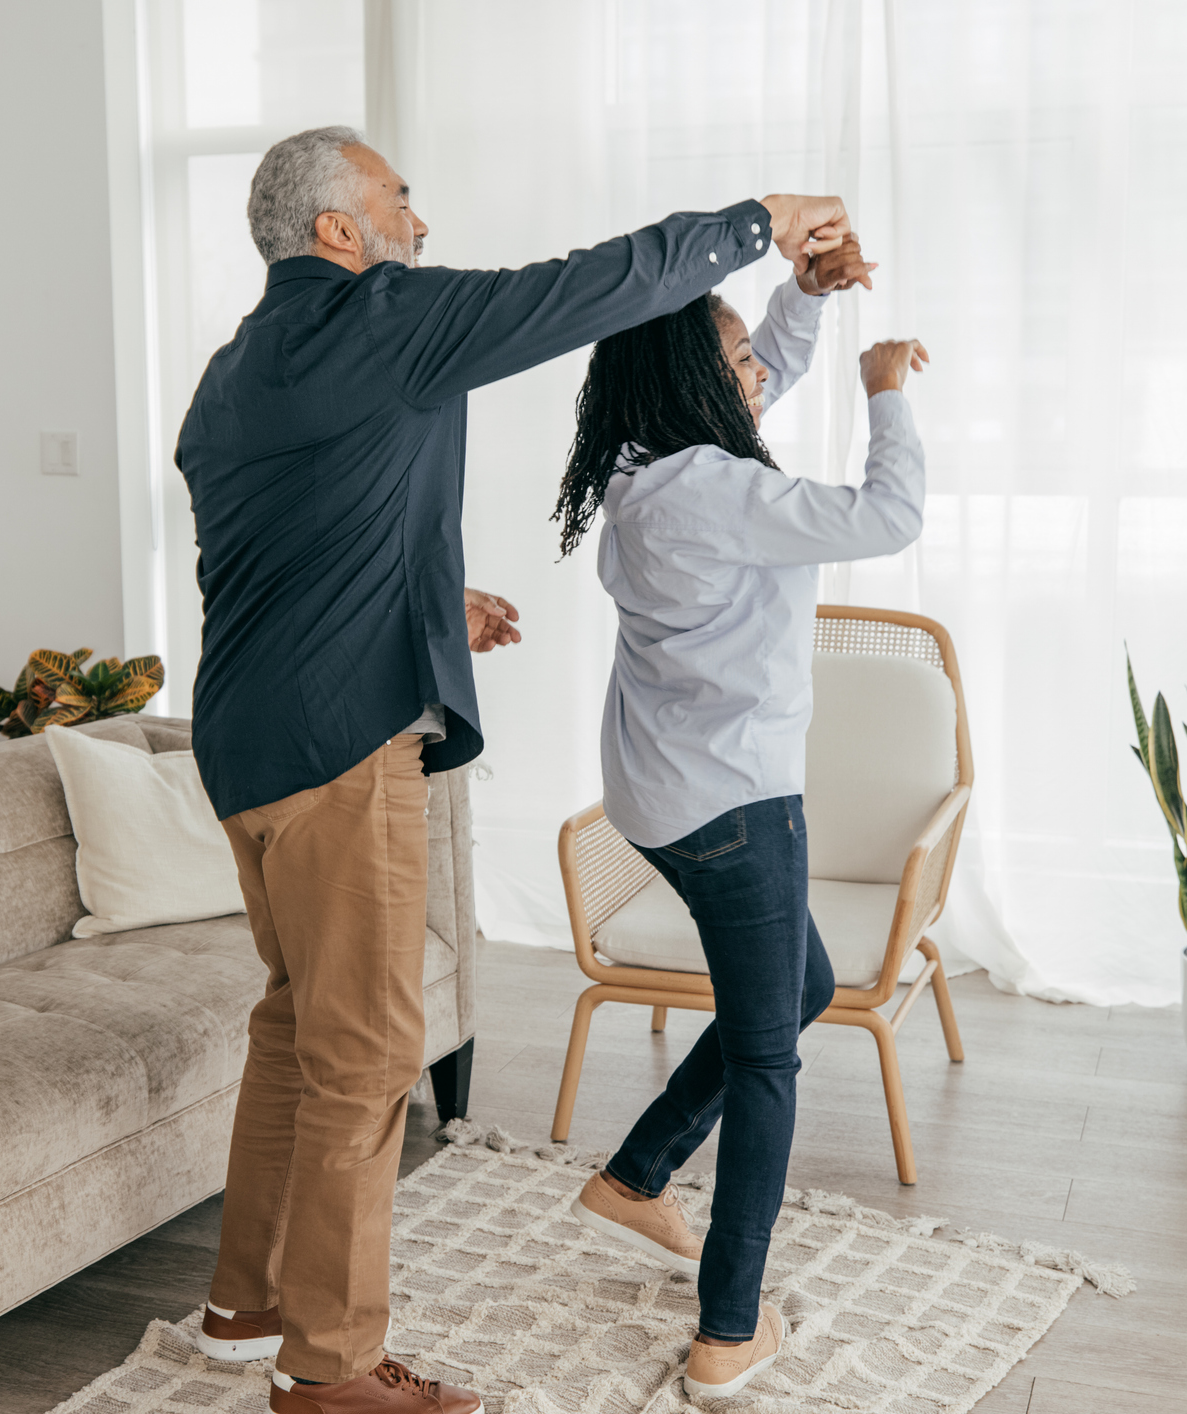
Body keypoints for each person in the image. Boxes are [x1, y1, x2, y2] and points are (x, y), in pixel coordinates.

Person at [174, 121, 858, 1414]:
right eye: (400, 199)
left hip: (241, 744)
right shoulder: (381, 317)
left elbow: (284, 550)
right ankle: (330, 1365)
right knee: (371, 1052)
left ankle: (244, 1297)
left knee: (293, 1023)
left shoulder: (232, 372)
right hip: (337, 747)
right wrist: (756, 220)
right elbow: (586, 287)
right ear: (339, 230)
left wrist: (437, 597)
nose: (420, 223)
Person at [549, 241, 930, 1400]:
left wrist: (803, 301)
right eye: (734, 359)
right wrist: (887, 394)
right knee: (770, 1053)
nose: (756, 371)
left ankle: (634, 1172)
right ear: (693, 383)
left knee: (799, 988)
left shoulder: (638, 458)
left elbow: (756, 364)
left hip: (655, 799)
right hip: (735, 806)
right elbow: (888, 513)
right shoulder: (719, 490)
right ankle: (725, 1330)